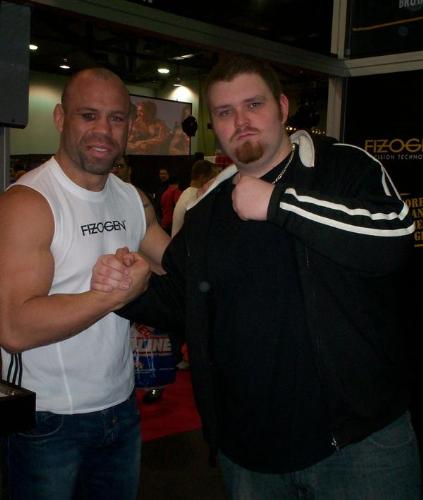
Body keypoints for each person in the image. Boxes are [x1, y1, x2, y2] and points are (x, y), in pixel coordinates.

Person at [91, 55, 421, 499]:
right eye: (225, 113)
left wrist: (279, 204)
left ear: (282, 107)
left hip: (358, 444)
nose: (240, 122)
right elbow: (181, 301)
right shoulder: (208, 212)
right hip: (250, 453)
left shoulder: (341, 167)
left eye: (254, 105)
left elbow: (395, 236)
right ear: (214, 125)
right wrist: (131, 288)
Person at [0, 67, 170, 500]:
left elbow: (175, 266)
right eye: (88, 115)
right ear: (60, 118)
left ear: (130, 126)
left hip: (120, 408)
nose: (103, 130)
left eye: (116, 118)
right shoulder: (28, 203)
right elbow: (14, 328)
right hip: (48, 418)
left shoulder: (131, 197)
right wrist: (111, 295)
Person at [171, 159, 218, 237]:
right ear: (202, 177)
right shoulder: (194, 198)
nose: (215, 182)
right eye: (213, 178)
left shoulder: (187, 193)